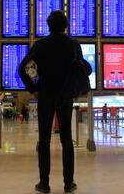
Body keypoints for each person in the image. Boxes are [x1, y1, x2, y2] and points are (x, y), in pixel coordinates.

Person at [18, 10, 87, 193]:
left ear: (48, 25)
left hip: (46, 96)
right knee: (66, 140)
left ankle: (44, 183)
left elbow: (22, 68)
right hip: (65, 97)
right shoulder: (73, 44)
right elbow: (82, 68)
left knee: (44, 140)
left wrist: (33, 89)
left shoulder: (40, 45)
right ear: (65, 25)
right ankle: (68, 183)